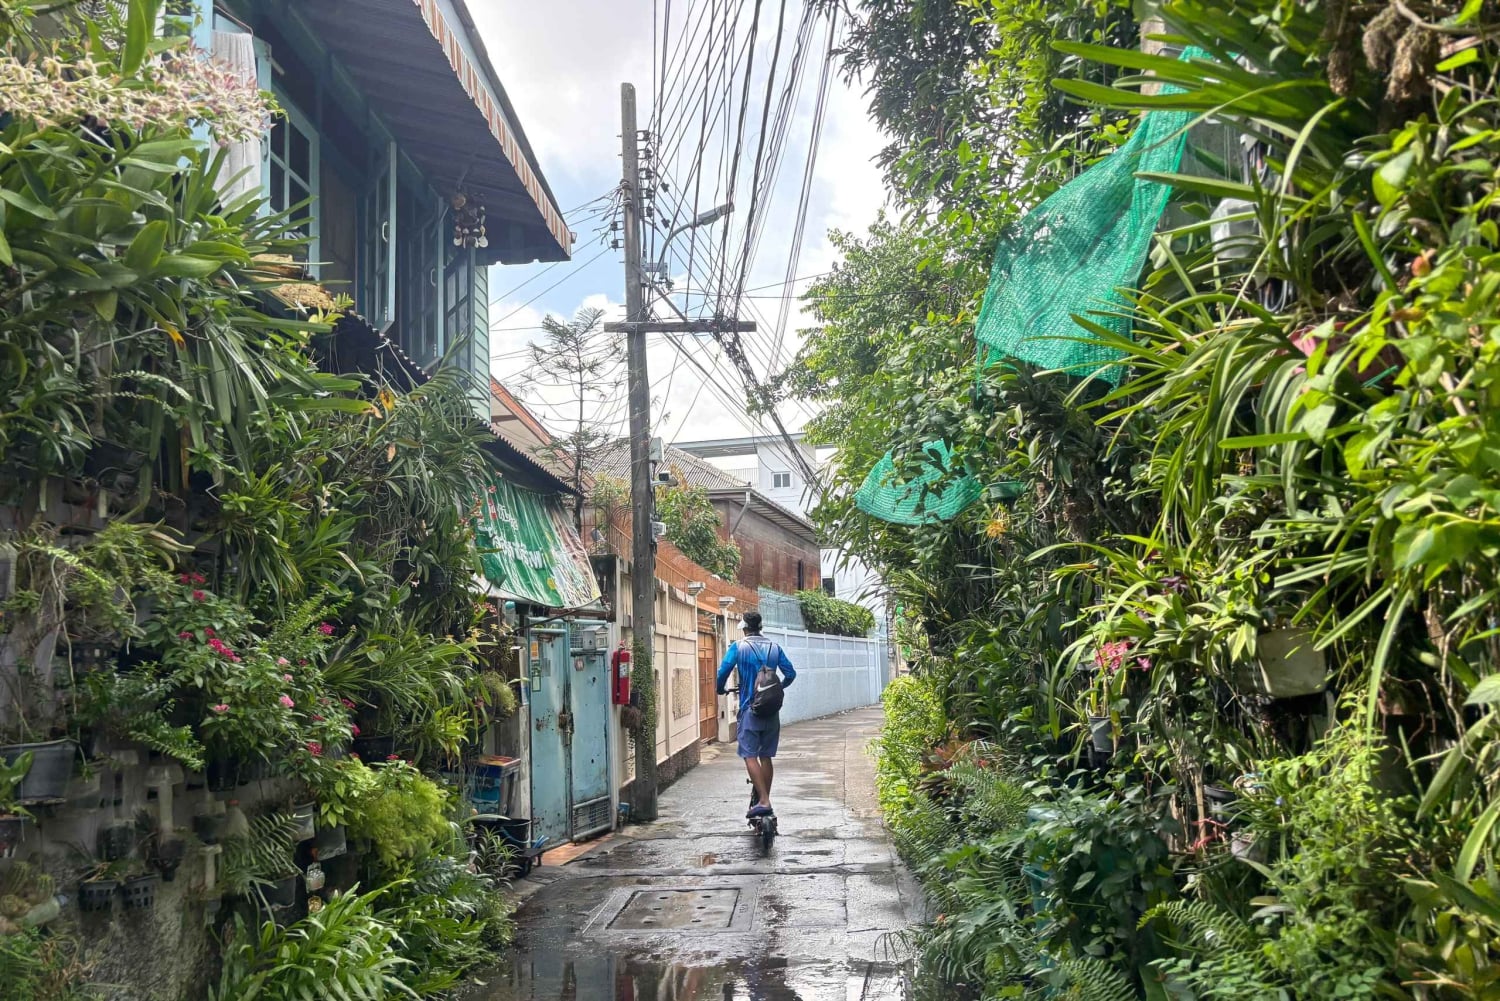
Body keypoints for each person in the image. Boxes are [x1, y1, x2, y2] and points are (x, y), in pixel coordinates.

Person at [715, 610, 796, 818]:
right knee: (766, 756)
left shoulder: (739, 647)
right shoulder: (774, 647)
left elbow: (723, 671)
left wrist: (720, 689)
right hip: (771, 710)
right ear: (760, 627)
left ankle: (764, 801)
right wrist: (776, 689)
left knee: (749, 755)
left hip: (749, 709)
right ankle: (764, 800)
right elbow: (790, 673)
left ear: (744, 628)